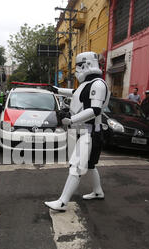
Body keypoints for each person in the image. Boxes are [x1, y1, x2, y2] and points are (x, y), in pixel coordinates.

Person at [45, 51, 110, 211]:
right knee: (90, 165)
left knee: (76, 166)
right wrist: (56, 90)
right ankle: (98, 191)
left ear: (87, 65)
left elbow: (95, 109)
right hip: (84, 132)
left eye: (79, 66)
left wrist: (72, 120)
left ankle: (62, 202)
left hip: (90, 132)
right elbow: (76, 93)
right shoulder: (88, 85)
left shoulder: (98, 84)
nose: (77, 70)